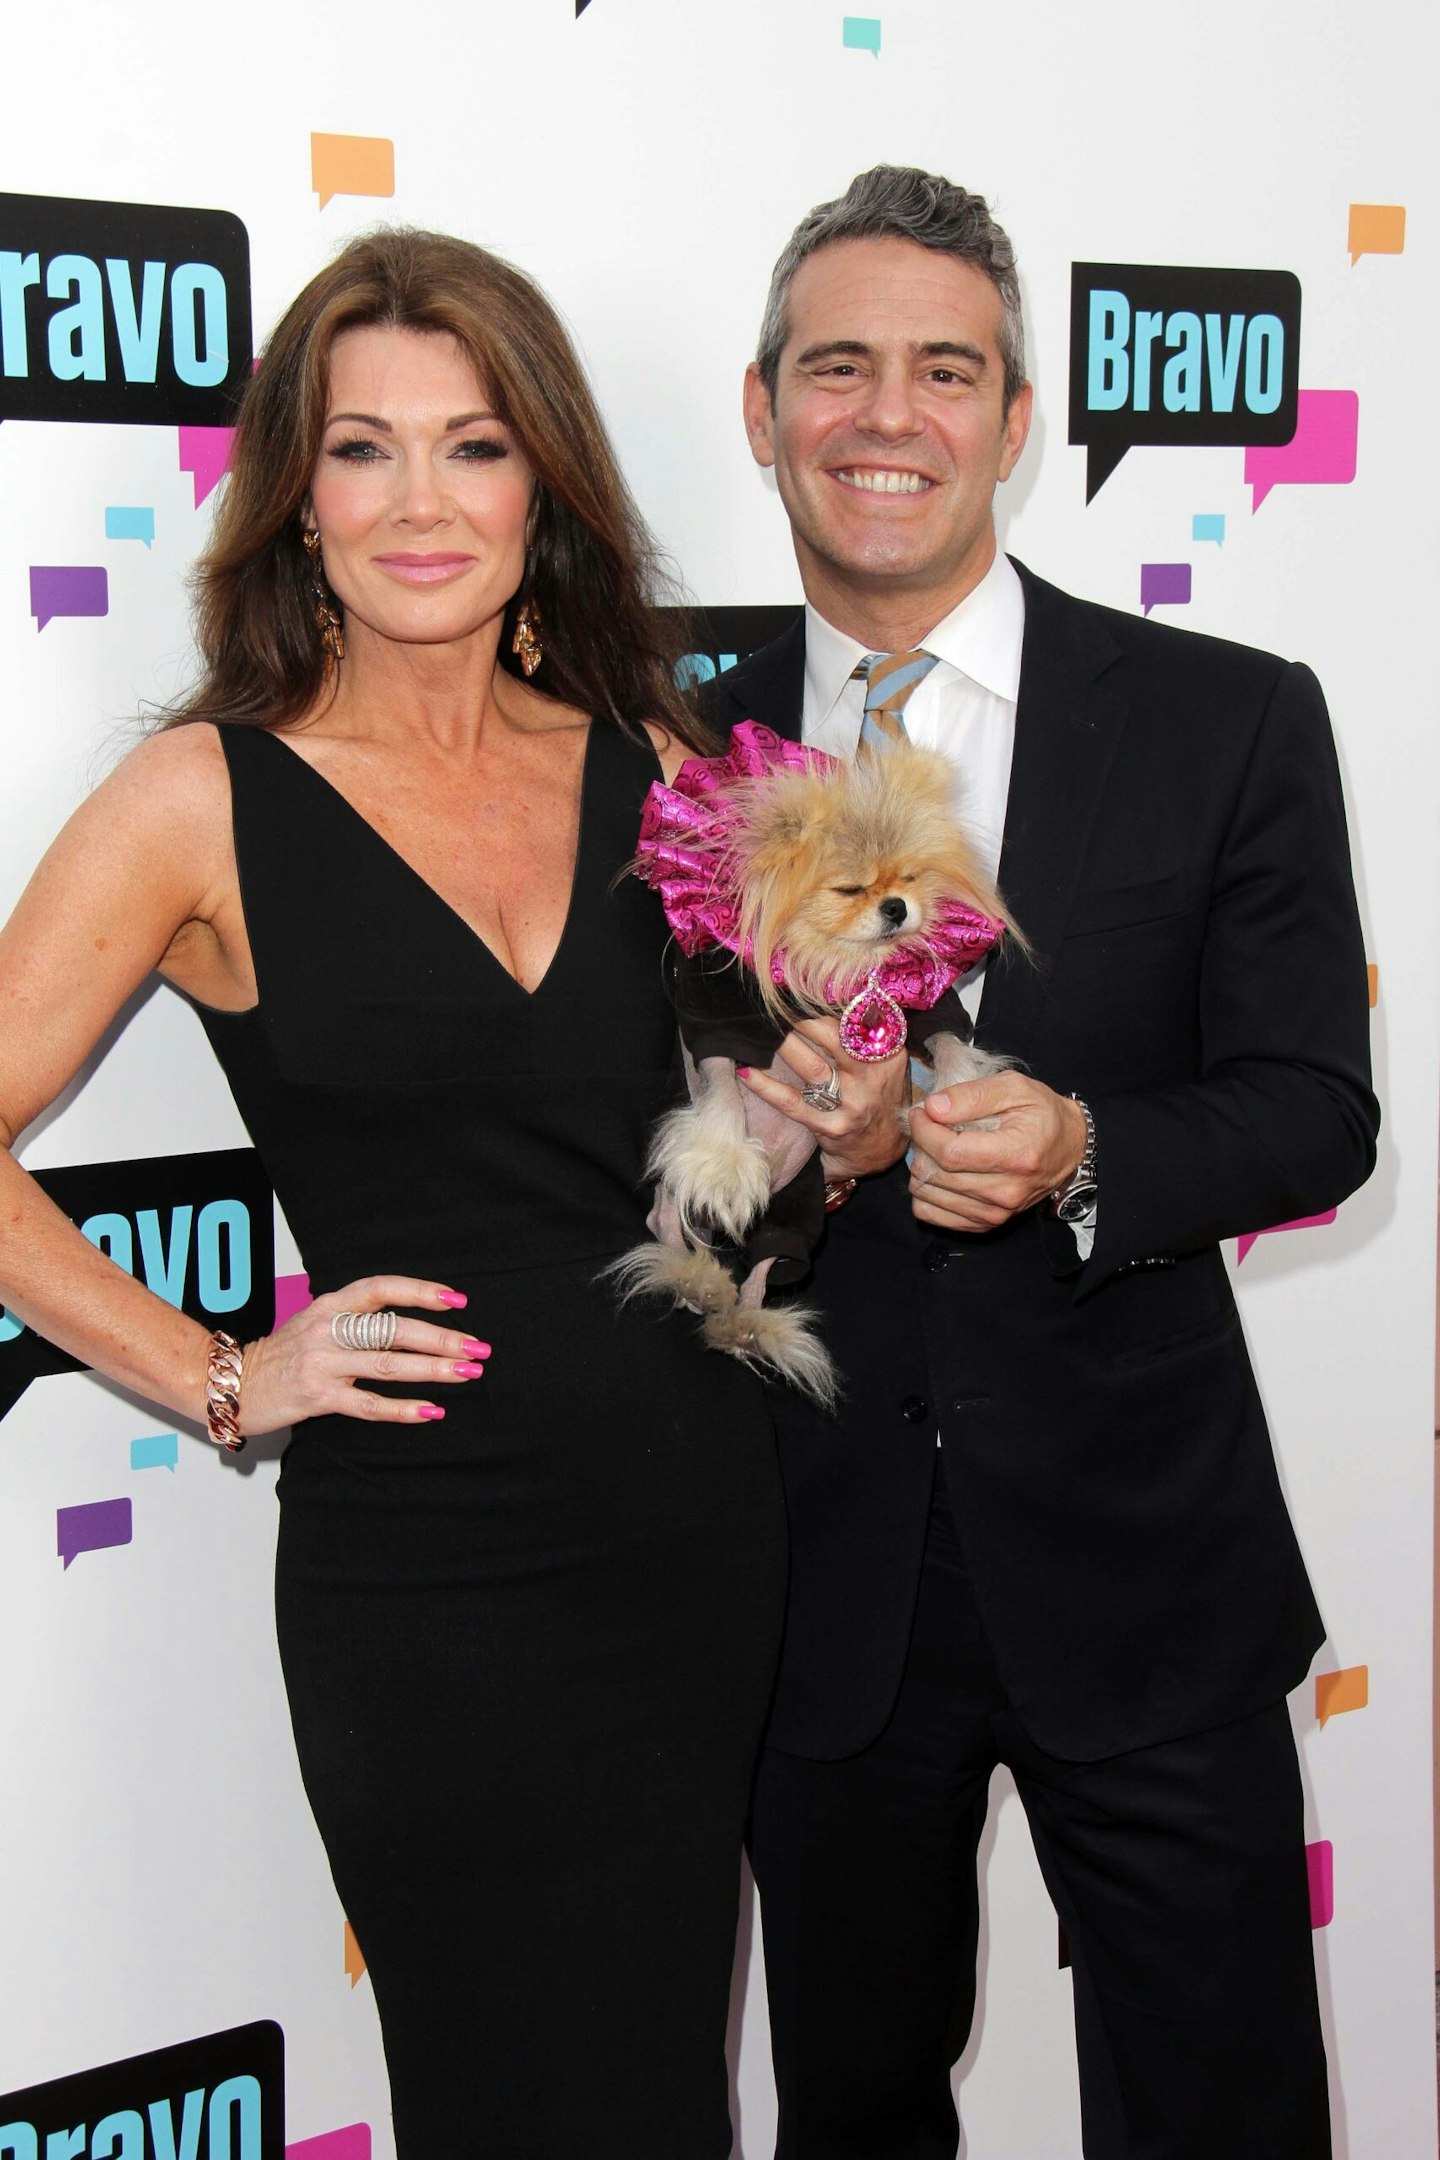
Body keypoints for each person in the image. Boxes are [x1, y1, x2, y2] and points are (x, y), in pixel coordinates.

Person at [0, 229, 790, 2158]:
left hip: (697, 1537)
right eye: (365, 451)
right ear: (296, 495)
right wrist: (217, 1375)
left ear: (548, 486)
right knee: (499, 2097)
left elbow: (745, 1169)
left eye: (478, 446)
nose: (424, 503)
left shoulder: (663, 761)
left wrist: (810, 1121)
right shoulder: (204, 793)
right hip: (432, 1582)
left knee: (666, 2090)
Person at [703, 167, 1379, 2159]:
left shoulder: (1226, 719)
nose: (886, 418)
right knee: (850, 2109)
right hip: (813, 1585)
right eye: (837, 369)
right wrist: (774, 1163)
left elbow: (1315, 1112)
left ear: (1021, 416)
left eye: (945, 371)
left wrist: (1087, 1148)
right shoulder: (658, 732)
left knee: (1222, 2107)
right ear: (762, 411)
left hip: (1149, 1574)